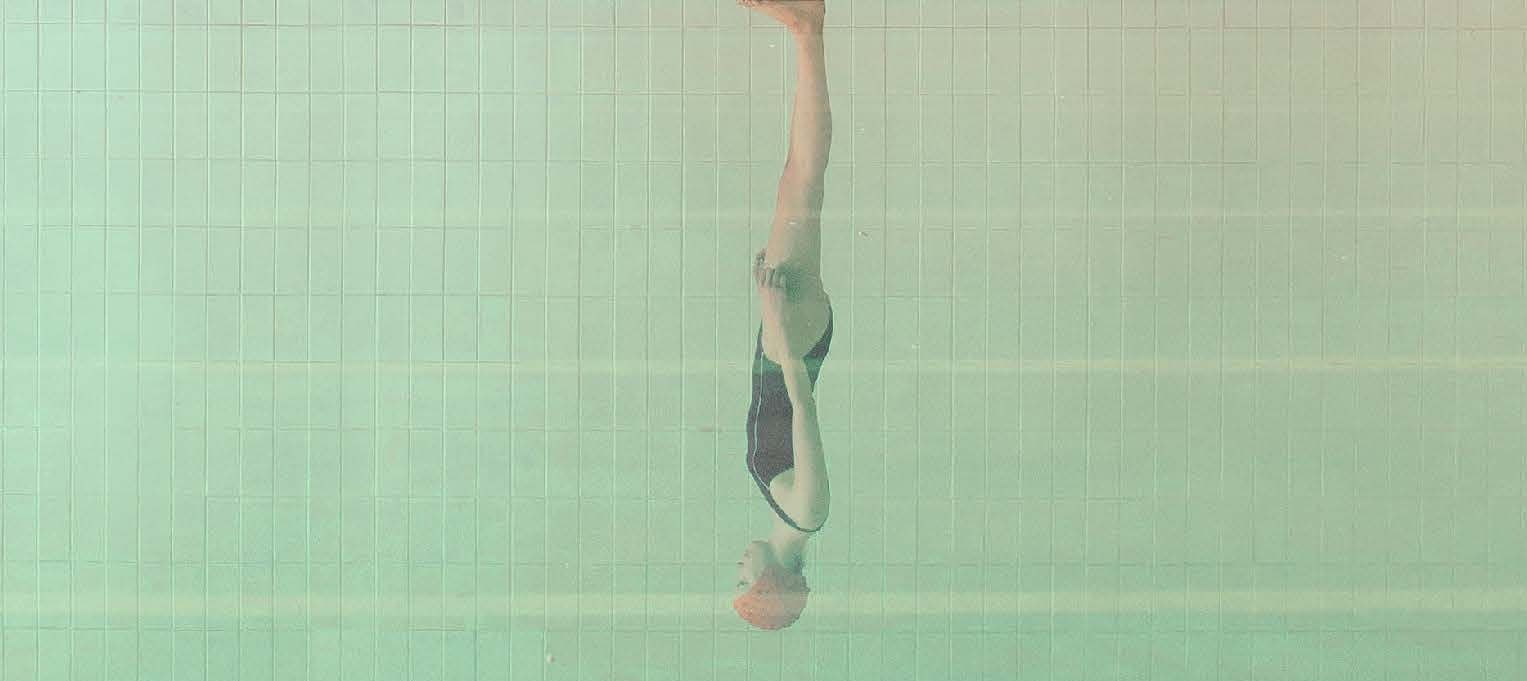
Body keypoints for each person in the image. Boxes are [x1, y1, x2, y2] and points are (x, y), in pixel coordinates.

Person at [732, 0, 834, 631]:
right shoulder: (807, 511)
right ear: (770, 583)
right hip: (790, 340)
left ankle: (806, 32)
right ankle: (807, 29)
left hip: (787, 336)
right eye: (743, 579)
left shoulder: (789, 513)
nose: (739, 566)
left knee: (797, 184)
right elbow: (803, 409)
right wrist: (774, 318)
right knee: (803, 180)